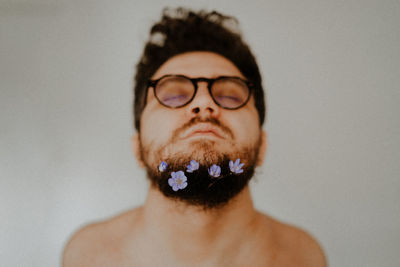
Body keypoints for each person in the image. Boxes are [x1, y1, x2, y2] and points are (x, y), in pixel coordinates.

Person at [63, 8, 326, 266]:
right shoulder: (86, 256)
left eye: (230, 96)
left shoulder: (305, 257)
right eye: (174, 95)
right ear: (137, 147)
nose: (203, 102)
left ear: (263, 146)